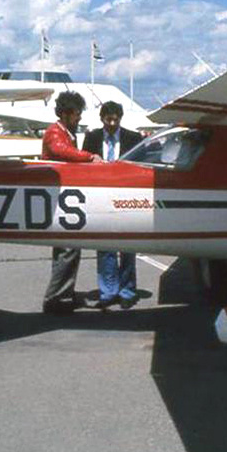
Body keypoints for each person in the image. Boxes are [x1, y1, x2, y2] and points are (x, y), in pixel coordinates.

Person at [42, 91, 103, 314]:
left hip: (63, 197)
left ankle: (64, 294)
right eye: (77, 114)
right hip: (57, 199)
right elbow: (60, 150)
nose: (79, 118)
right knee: (68, 247)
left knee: (69, 249)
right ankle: (55, 299)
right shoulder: (55, 133)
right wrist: (89, 157)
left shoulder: (66, 132)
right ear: (66, 113)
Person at [83, 101, 144, 309]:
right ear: (102, 119)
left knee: (128, 247)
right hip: (100, 198)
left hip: (127, 198)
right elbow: (82, 168)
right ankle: (108, 291)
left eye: (115, 119)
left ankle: (127, 291)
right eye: (108, 119)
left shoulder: (133, 138)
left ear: (120, 118)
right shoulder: (92, 138)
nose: (112, 123)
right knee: (104, 247)